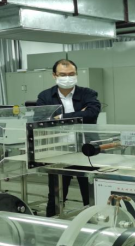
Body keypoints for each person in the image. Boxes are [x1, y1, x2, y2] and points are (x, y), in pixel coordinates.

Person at [36, 59, 101, 217]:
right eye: (63, 74)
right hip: (59, 151)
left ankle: (93, 223)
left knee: (91, 193)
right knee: (56, 194)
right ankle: (52, 224)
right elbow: (41, 120)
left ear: (76, 74)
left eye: (71, 74)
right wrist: (79, 114)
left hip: (86, 151)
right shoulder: (45, 96)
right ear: (54, 75)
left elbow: (92, 113)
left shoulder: (88, 93)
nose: (67, 78)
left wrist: (61, 117)